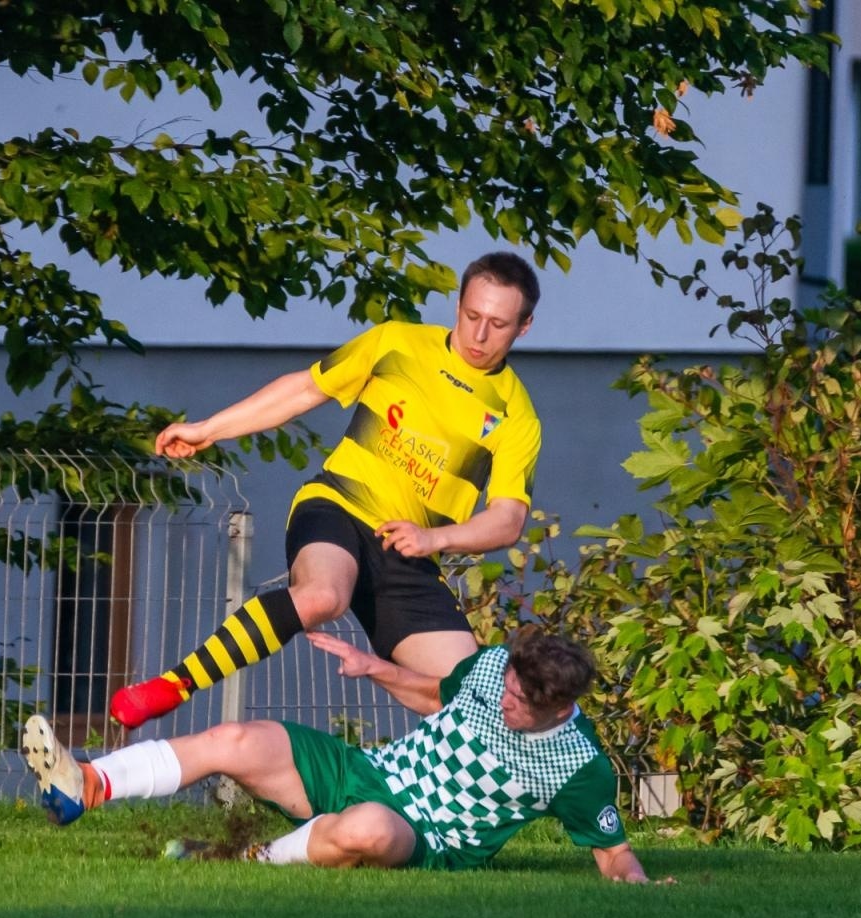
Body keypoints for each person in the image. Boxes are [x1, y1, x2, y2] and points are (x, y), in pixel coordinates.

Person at [110, 252, 544, 728]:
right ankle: (175, 685)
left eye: (498, 324)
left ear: (524, 328)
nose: (479, 335)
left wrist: (434, 540)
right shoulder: (396, 342)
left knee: (473, 698)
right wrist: (209, 428)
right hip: (337, 505)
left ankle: (399, 797)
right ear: (458, 303)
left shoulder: (516, 414)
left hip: (410, 550)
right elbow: (303, 390)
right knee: (321, 597)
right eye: (472, 316)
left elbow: (507, 519)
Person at [26, 627, 658, 881]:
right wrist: (373, 666)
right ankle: (87, 784)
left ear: (556, 707)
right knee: (237, 739)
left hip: (423, 836)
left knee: (367, 828)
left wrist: (643, 885)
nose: (505, 700)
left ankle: (248, 859)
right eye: (509, 687)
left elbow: (614, 854)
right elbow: (438, 695)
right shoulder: (496, 668)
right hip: (368, 771)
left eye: (521, 702)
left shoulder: (579, 766)